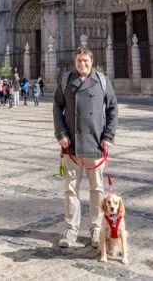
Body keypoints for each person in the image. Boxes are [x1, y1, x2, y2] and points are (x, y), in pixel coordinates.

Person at [53, 46, 119, 249]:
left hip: (95, 144)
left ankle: (96, 228)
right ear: (75, 62)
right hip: (71, 145)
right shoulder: (66, 81)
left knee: (97, 189)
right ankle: (71, 229)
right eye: (79, 61)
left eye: (86, 61)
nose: (82, 64)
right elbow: (57, 107)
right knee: (70, 190)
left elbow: (113, 108)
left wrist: (108, 136)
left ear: (92, 62)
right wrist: (61, 134)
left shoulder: (102, 81)